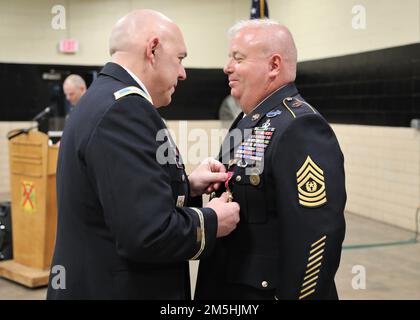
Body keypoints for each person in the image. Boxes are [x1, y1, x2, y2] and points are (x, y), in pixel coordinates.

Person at [47, 10, 240, 300]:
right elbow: (148, 235)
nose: (183, 73)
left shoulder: (101, 98)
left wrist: (188, 185)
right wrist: (211, 220)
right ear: (152, 50)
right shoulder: (125, 110)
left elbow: (122, 200)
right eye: (180, 58)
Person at [195, 19, 346, 300]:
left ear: (274, 65)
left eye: (237, 58)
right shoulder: (248, 120)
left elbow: (316, 235)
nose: (226, 67)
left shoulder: (300, 127)